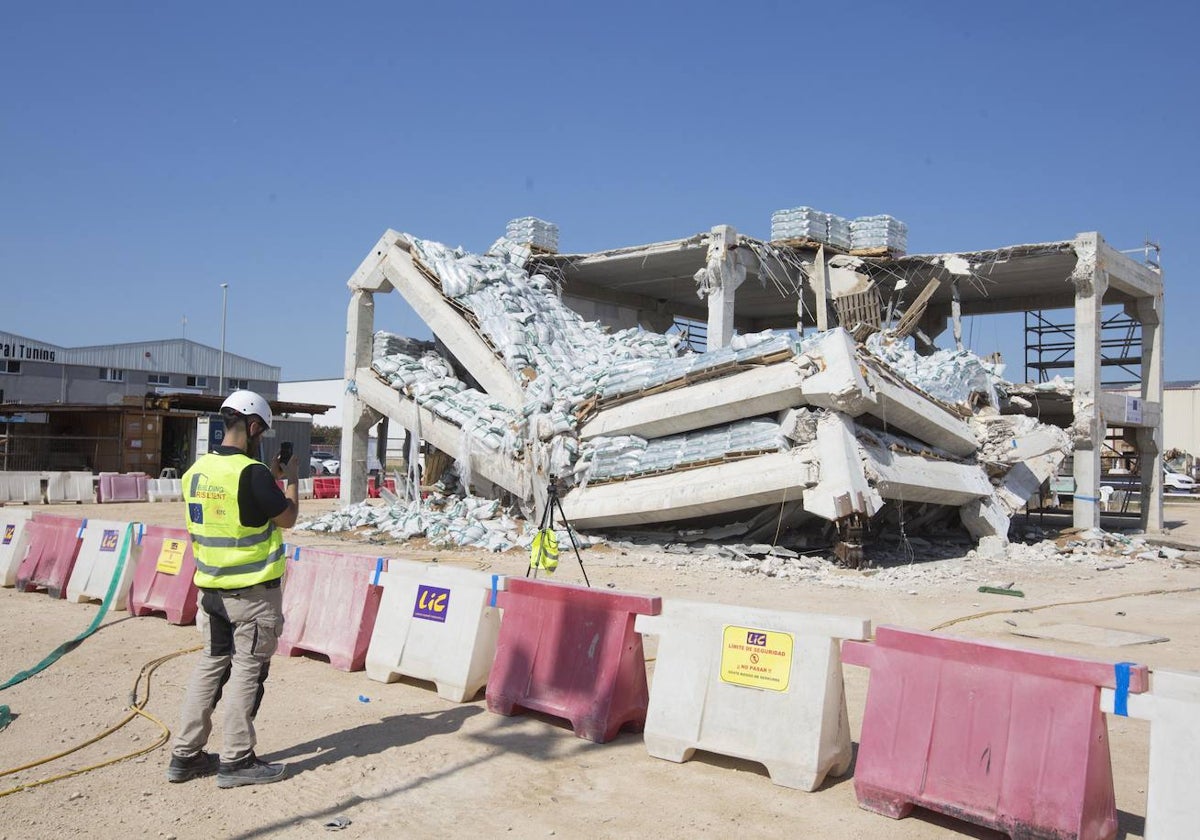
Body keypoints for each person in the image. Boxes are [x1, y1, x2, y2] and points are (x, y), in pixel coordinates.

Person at [167, 390, 299, 788]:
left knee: (210, 665)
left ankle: (185, 755)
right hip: (251, 596)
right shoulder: (252, 473)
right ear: (254, 426)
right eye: (263, 431)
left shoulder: (197, 471)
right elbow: (286, 517)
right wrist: (289, 479)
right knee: (247, 669)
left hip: (210, 593)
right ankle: (237, 760)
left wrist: (268, 478)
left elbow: (234, 509)